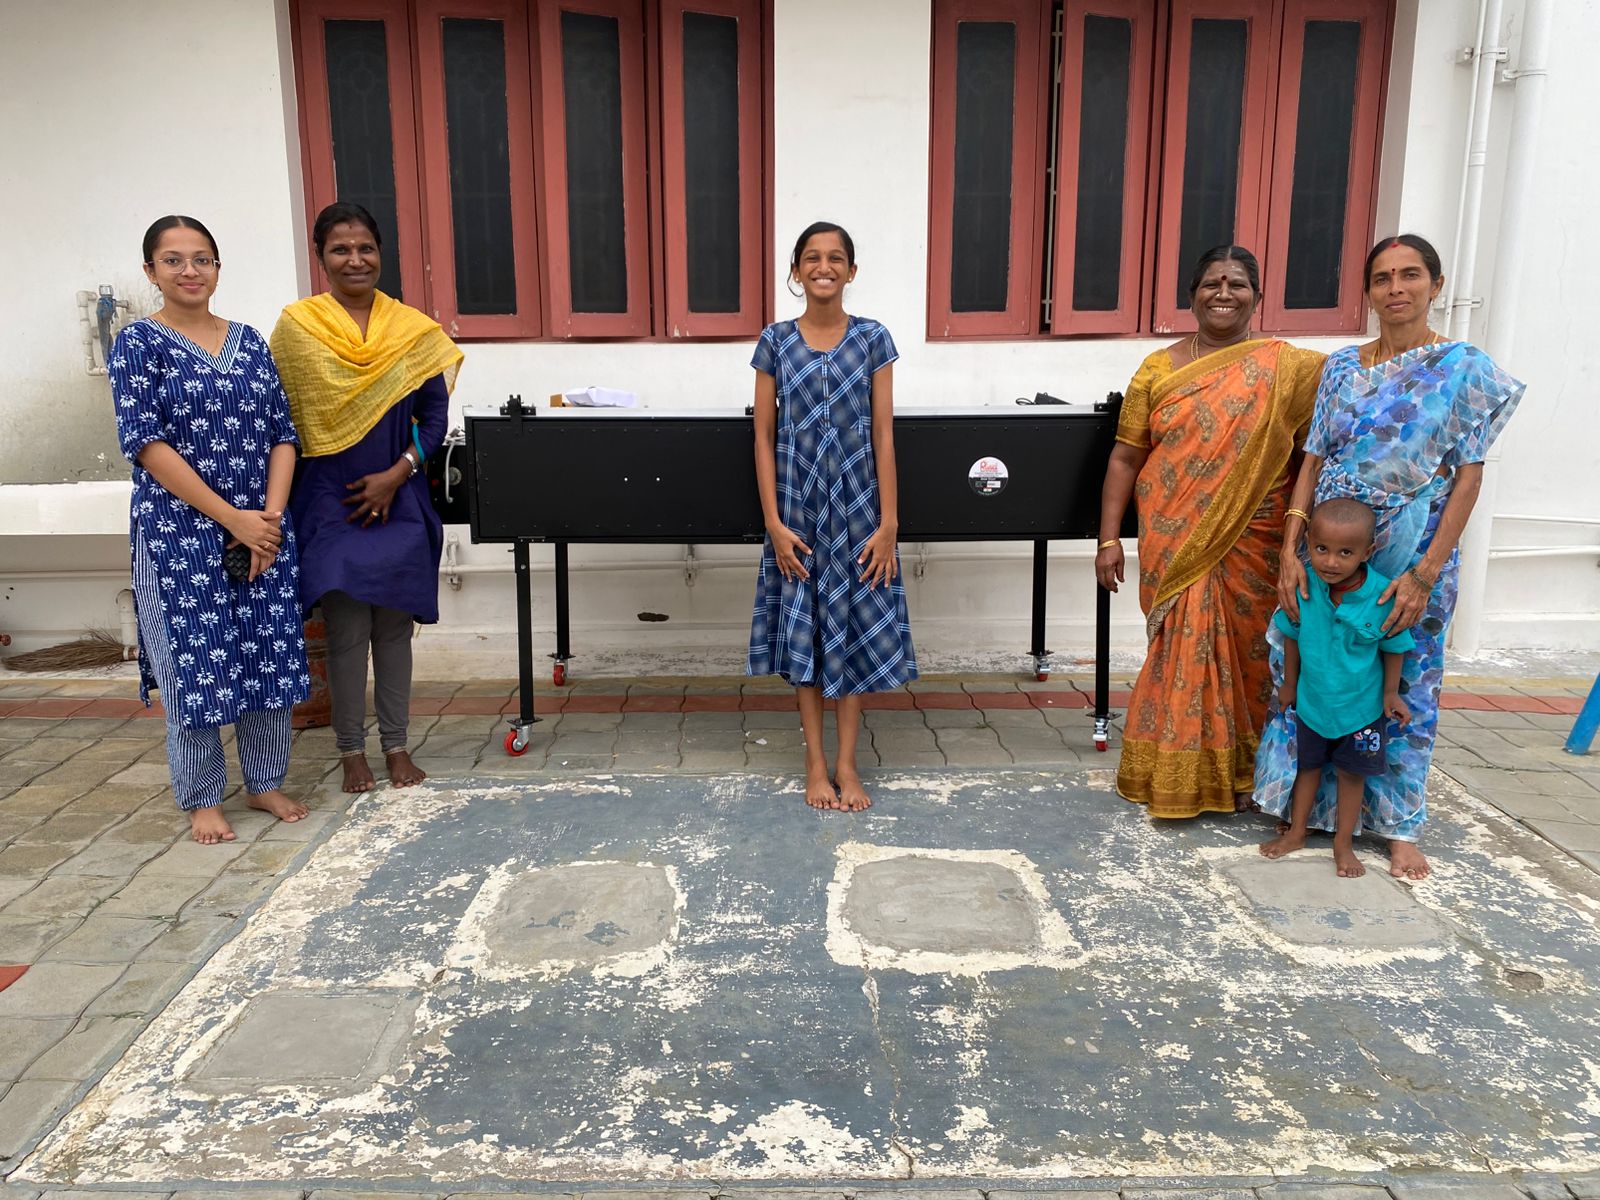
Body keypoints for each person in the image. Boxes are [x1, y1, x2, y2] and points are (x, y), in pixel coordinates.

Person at [1254, 234, 1525, 880]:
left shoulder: (1464, 368)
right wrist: (1293, 548)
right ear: (1368, 291)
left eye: (1410, 275)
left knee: (1405, 682)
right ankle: (1299, 809)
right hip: (1328, 545)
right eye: (1381, 278)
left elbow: (1467, 475)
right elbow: (1313, 457)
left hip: (1413, 546)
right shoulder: (1342, 367)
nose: (1395, 288)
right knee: (1310, 663)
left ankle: (1398, 824)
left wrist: (1426, 572)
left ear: (1435, 284)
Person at [1096, 246, 1325, 819]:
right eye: (1212, 283)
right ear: (1192, 295)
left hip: (1259, 534)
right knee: (1182, 648)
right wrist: (1107, 538)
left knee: (1252, 657)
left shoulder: (1289, 368)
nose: (1224, 293)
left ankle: (1251, 774)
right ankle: (1171, 775)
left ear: (1257, 297)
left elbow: (1314, 455)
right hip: (1177, 537)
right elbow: (1126, 458)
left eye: (1239, 284)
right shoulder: (1158, 369)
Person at [109, 215, 311, 845]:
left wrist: (268, 524)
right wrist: (233, 521)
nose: (190, 271)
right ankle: (201, 795)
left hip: (264, 529)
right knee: (193, 664)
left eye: (202, 259)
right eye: (173, 260)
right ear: (151, 272)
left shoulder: (249, 341)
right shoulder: (138, 344)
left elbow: (283, 433)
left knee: (265, 656)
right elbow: (145, 443)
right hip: (179, 536)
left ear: (219, 268)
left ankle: (265, 781)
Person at [271, 202, 462, 794]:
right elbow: (281, 420)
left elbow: (433, 419)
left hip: (399, 498)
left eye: (365, 248)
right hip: (329, 501)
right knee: (347, 630)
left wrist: (397, 472)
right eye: (340, 249)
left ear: (381, 253)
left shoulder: (413, 331)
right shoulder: (297, 329)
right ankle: (352, 751)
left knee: (394, 631)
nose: (355, 259)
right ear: (321, 257)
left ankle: (398, 745)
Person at [749, 221, 916, 812]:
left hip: (858, 511)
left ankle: (848, 764)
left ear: (851, 270)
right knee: (806, 631)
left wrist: (889, 523)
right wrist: (773, 522)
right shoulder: (774, 341)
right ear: (795, 271)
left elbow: (884, 436)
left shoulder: (873, 339)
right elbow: (763, 439)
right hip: (795, 509)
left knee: (846, 631)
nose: (825, 266)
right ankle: (815, 765)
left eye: (836, 257)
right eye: (812, 258)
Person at [1259, 500, 1413, 877]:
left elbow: (1394, 647)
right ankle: (1296, 831)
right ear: (1307, 544)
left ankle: (1343, 845)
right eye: (1321, 549)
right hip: (1313, 705)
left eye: (1346, 552)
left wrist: (1391, 694)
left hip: (1362, 714)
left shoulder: (1382, 596)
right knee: (1307, 768)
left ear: (1368, 551)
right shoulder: (1304, 586)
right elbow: (1292, 638)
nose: (1331, 562)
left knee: (1351, 776)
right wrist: (1289, 684)